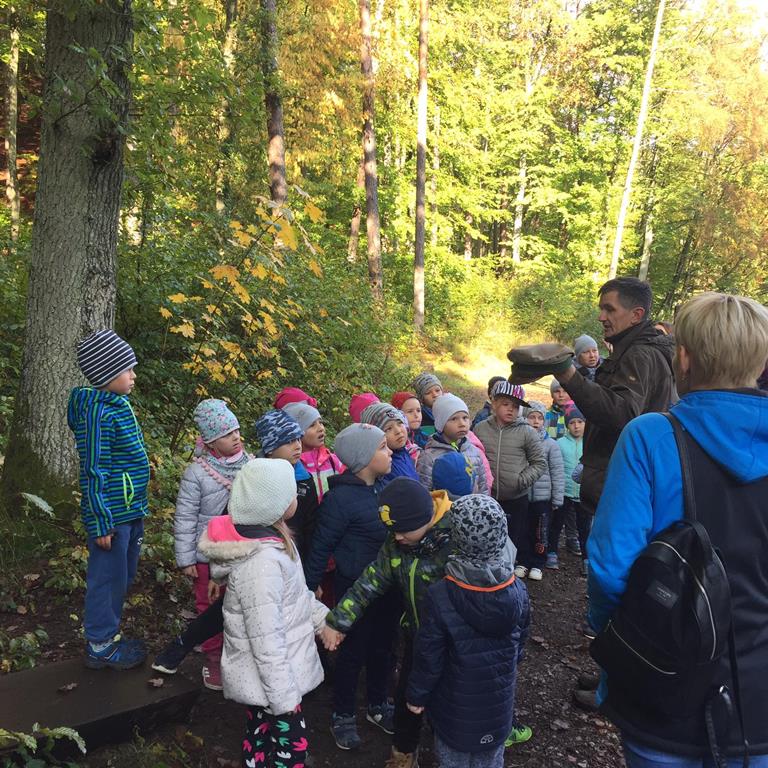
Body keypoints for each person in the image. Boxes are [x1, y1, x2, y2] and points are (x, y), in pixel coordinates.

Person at [587, 292, 768, 767]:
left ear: (682, 358)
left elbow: (610, 566)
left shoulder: (651, 437)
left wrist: (616, 644)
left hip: (663, 687)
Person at [323, 479, 531, 768]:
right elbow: (371, 580)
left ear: (424, 520)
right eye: (392, 531)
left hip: (459, 643)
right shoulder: (398, 541)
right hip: (419, 638)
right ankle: (404, 754)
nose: (396, 537)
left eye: (402, 531)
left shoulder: (460, 536)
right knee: (409, 700)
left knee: (462, 699)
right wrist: (338, 621)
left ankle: (473, 739)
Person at [198, 458, 333, 768]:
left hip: (271, 682)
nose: (297, 497)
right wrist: (285, 699)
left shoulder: (274, 542)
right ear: (275, 504)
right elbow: (265, 639)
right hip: (275, 684)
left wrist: (325, 621)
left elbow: (295, 598)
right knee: (290, 751)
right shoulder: (262, 564)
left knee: (259, 737)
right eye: (291, 493)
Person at [406, 494, 531, 768]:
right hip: (498, 708)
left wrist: (417, 694)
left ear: (456, 538)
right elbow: (521, 643)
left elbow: (429, 656)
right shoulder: (518, 590)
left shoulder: (441, 596)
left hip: (454, 712)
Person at [302, 423, 399, 750]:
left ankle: (377, 704)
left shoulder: (386, 489)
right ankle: (342, 714)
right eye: (382, 447)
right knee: (352, 653)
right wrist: (309, 588)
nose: (390, 451)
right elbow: (321, 546)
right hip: (353, 591)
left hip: (388, 589)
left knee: (384, 648)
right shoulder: (339, 499)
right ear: (362, 459)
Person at [544, 278, 677, 516]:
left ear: (636, 315)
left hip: (623, 488)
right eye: (601, 309)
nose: (601, 317)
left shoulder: (639, 355)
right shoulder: (638, 350)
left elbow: (622, 413)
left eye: (609, 309)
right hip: (629, 485)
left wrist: (569, 376)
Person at [68, 329, 150, 669]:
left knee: (122, 576)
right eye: (127, 369)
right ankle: (100, 645)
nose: (133, 375)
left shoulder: (117, 405)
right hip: (112, 517)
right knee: (107, 579)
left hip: (128, 510)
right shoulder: (98, 415)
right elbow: (94, 470)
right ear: (106, 374)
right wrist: (100, 521)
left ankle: (107, 635)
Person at [173, 398, 251, 690]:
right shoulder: (197, 473)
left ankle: (238, 653)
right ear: (210, 442)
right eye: (227, 435)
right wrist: (186, 559)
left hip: (240, 551)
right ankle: (213, 657)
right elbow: (185, 517)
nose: (236, 438)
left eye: (236, 431)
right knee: (208, 606)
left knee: (239, 604)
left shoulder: (251, 465)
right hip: (206, 554)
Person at [474, 381, 546, 577]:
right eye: (506, 404)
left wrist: (521, 481)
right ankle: (486, 573)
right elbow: (474, 456)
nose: (511, 409)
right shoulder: (480, 429)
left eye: (515, 406)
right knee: (487, 535)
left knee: (514, 536)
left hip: (516, 498)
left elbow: (539, 463)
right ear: (494, 403)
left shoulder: (526, 432)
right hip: (488, 497)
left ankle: (508, 575)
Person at [254, 409, 315, 560]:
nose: (298, 446)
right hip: (261, 554)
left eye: (298, 439)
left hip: (297, 555)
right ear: (270, 449)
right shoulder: (254, 478)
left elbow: (311, 525)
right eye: (289, 442)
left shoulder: (305, 479)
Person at [416, 394, 489, 495]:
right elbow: (423, 492)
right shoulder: (429, 457)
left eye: (465, 418)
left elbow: (482, 485)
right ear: (441, 424)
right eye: (454, 419)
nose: (462, 423)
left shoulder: (473, 451)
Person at [524, 401, 565, 581]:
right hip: (523, 495)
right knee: (524, 529)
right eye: (531, 417)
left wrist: (557, 498)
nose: (536, 421)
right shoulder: (521, 441)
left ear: (544, 421)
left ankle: (538, 563)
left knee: (541, 532)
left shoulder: (551, 445)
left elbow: (557, 473)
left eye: (539, 418)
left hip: (543, 498)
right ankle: (523, 560)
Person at [548, 408, 585, 572]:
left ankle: (586, 559)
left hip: (583, 493)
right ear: (567, 426)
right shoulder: (560, 444)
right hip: (564, 492)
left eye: (580, 422)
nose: (576, 426)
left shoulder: (589, 444)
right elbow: (555, 467)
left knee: (584, 528)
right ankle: (552, 552)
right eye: (572, 423)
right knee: (556, 524)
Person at [282, 401, 343, 502]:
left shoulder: (333, 460)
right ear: (297, 432)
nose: (321, 428)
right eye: (312, 425)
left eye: (320, 422)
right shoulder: (292, 465)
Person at [361, 402, 419, 485]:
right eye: (388, 429)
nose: (398, 431)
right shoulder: (384, 466)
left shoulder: (404, 452)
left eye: (400, 423)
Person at [412, 372, 444, 436]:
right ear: (421, 398)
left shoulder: (451, 410)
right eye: (428, 393)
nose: (435, 395)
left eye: (437, 390)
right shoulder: (420, 419)